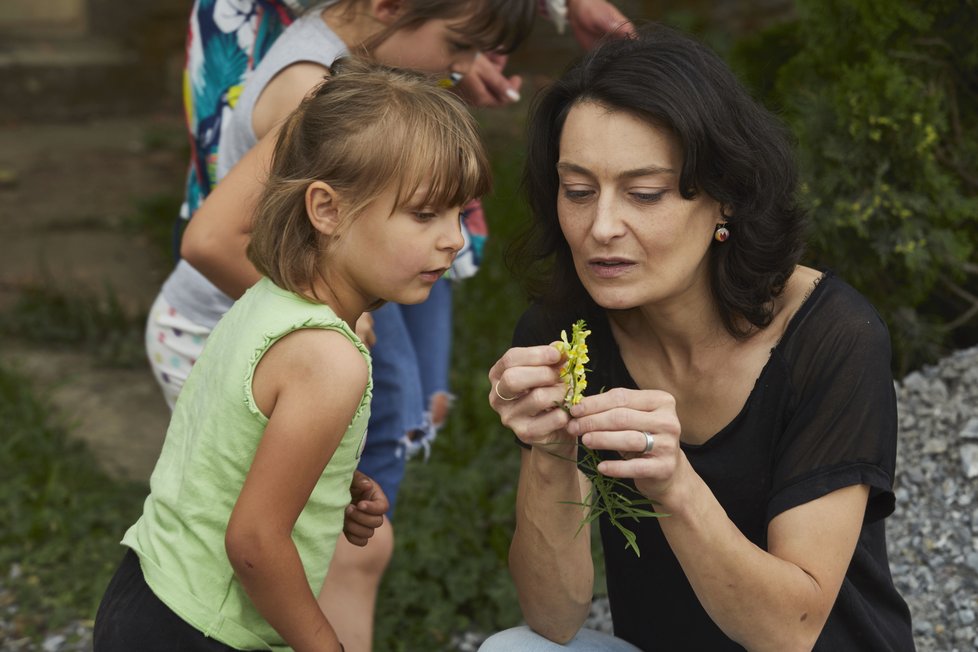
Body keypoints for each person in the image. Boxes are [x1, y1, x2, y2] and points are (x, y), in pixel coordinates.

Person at [146, 1, 634, 649]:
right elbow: (253, 541)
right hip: (195, 613)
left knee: (351, 529)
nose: (465, 70)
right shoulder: (315, 97)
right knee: (335, 543)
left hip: (150, 587)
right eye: (458, 48)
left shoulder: (359, 89)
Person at [481, 25, 916, 651]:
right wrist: (551, 452)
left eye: (645, 193)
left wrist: (675, 485)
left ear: (725, 201)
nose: (601, 226)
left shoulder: (833, 337)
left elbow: (790, 632)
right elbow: (554, 618)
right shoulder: (565, 333)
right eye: (578, 191)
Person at [95, 58, 491, 652]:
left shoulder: (268, 300)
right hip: (206, 631)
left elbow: (231, 441)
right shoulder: (331, 357)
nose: (454, 238)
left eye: (459, 214)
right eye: (425, 213)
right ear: (327, 209)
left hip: (148, 591)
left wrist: (331, 480)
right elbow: (254, 543)